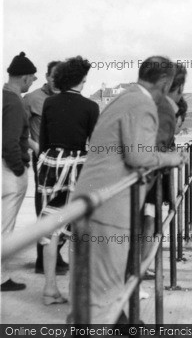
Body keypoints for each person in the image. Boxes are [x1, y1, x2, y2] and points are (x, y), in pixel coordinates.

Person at [69, 56, 186, 323]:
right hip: (110, 207)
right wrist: (173, 158)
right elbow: (138, 156)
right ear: (166, 82)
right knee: (106, 292)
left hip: (89, 197)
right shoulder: (143, 103)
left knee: (84, 287)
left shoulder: (123, 98)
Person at [37, 56, 99, 305]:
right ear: (83, 80)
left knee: (50, 228)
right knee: (77, 228)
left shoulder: (50, 103)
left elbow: (43, 140)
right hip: (77, 167)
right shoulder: (91, 107)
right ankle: (77, 293)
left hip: (51, 165)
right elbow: (95, 146)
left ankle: (50, 289)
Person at [139, 63, 186, 291]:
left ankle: (141, 265)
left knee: (150, 221)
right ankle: (142, 266)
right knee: (151, 221)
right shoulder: (165, 110)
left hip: (140, 181)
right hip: (147, 183)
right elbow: (150, 155)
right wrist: (173, 159)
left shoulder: (142, 103)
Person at [23, 60, 70, 275]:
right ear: (46, 76)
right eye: (53, 76)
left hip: (65, 160)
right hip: (43, 160)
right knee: (44, 207)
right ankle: (43, 259)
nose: (56, 80)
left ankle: (55, 253)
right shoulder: (31, 99)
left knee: (63, 208)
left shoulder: (66, 98)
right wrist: (36, 149)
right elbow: (18, 132)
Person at [2, 52, 37, 292]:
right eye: (32, 79)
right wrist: (19, 168)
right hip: (10, 171)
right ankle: (1, 277)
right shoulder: (14, 102)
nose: (33, 82)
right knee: (5, 228)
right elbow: (10, 142)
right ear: (24, 78)